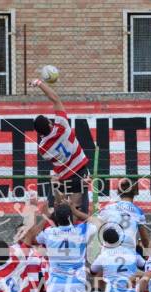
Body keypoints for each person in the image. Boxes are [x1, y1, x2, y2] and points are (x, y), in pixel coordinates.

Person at [29, 78, 89, 213]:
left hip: (64, 179)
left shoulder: (43, 149)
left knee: (57, 210)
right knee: (79, 211)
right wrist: (39, 83)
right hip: (80, 172)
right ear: (50, 124)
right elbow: (55, 99)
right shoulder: (61, 125)